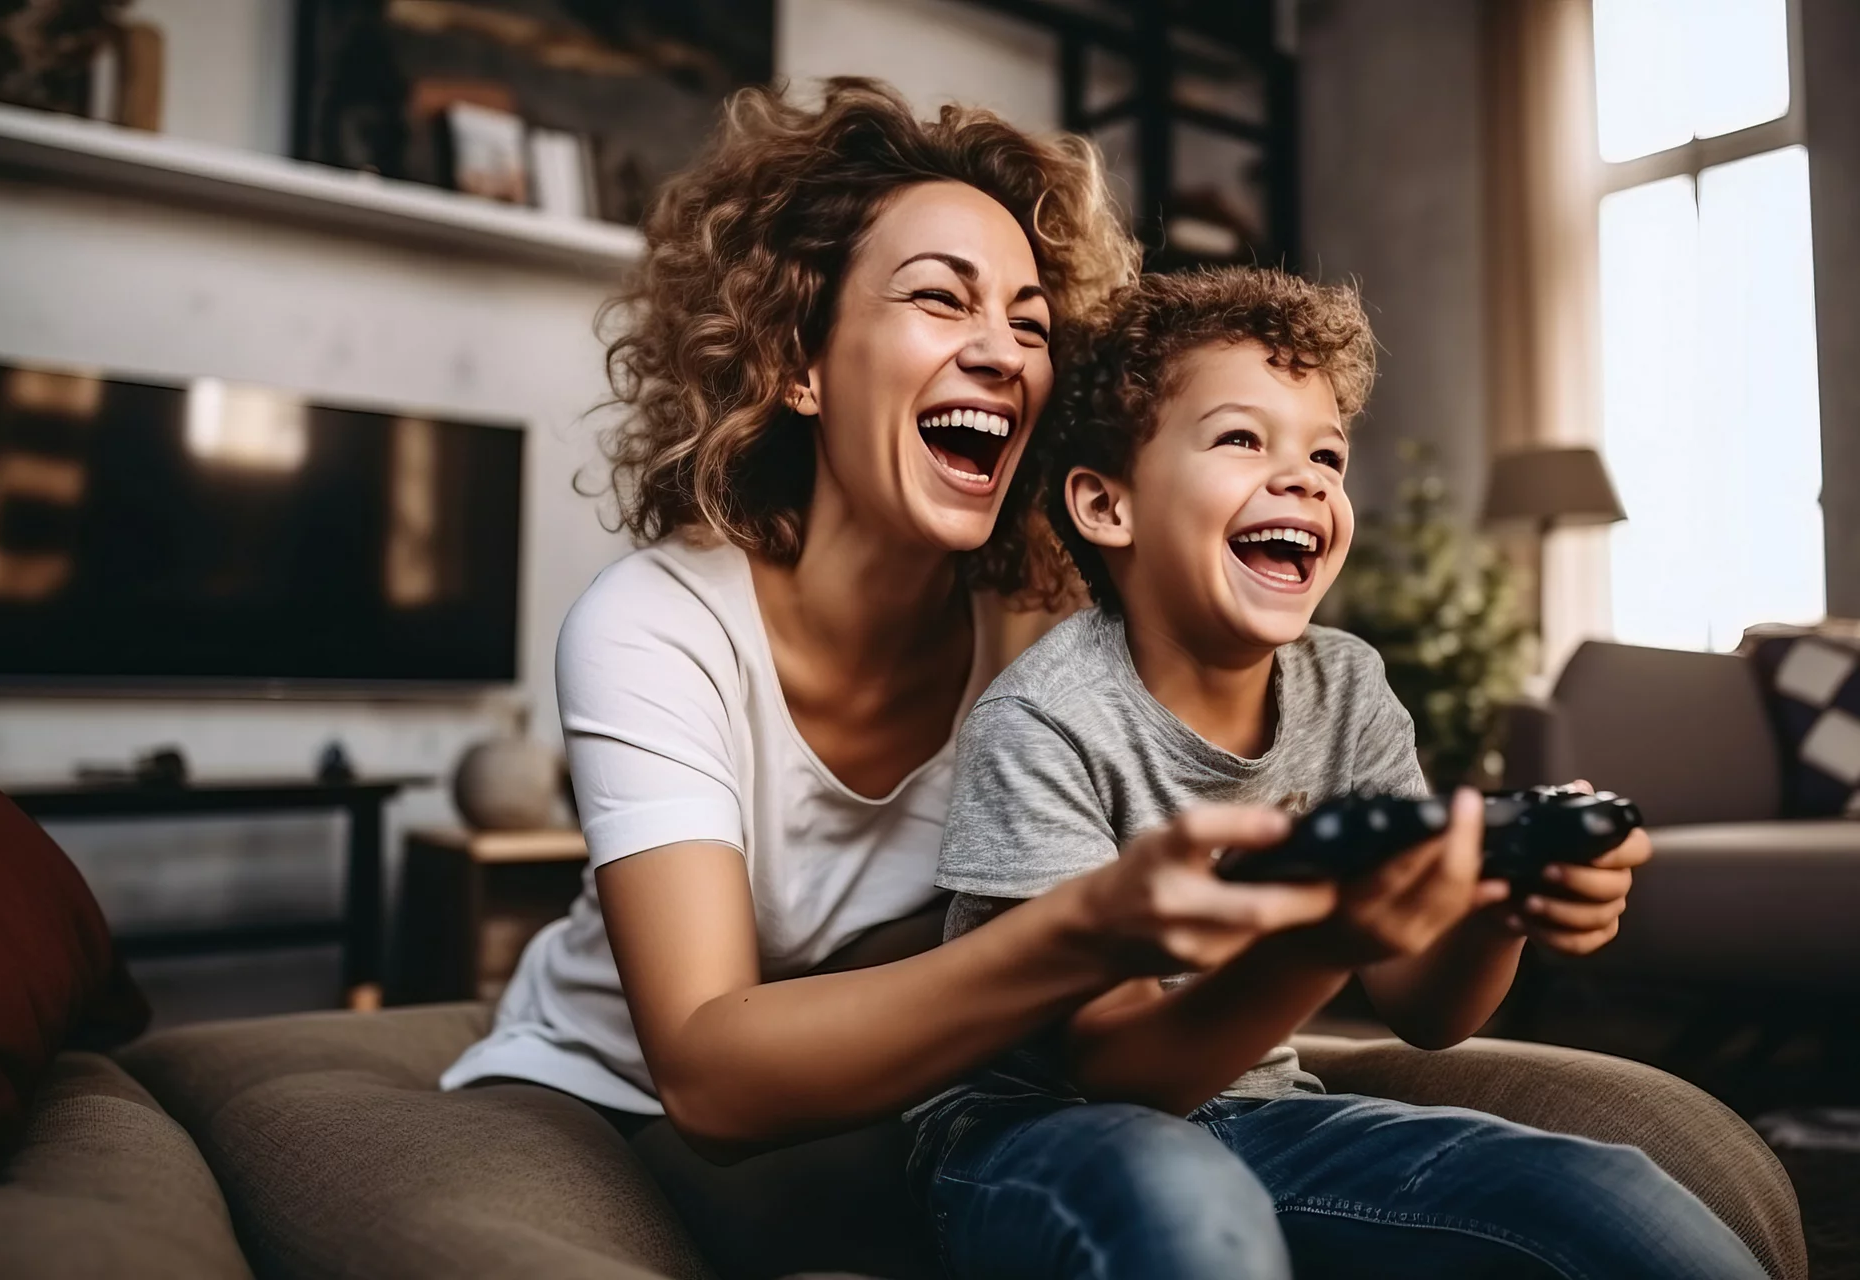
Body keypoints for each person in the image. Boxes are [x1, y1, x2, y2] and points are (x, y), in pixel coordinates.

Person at [440, 81, 1342, 1273]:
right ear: (798, 360)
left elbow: (1137, 1020)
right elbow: (708, 1070)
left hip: (907, 1100)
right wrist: (1084, 930)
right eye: (940, 299)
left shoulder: (1051, 636)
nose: (1001, 351)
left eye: (1031, 323)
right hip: (611, 1091)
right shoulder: (653, 624)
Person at [908, 267, 1766, 1280]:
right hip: (1032, 1137)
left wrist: (1499, 898)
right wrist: (1319, 942)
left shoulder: (1348, 685)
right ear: (1107, 504)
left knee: (1609, 1199)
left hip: (1267, 1113)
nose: (1307, 477)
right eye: (1241, 438)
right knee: (1187, 1204)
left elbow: (1428, 1008)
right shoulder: (1043, 719)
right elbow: (1113, 1066)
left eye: (1326, 452)